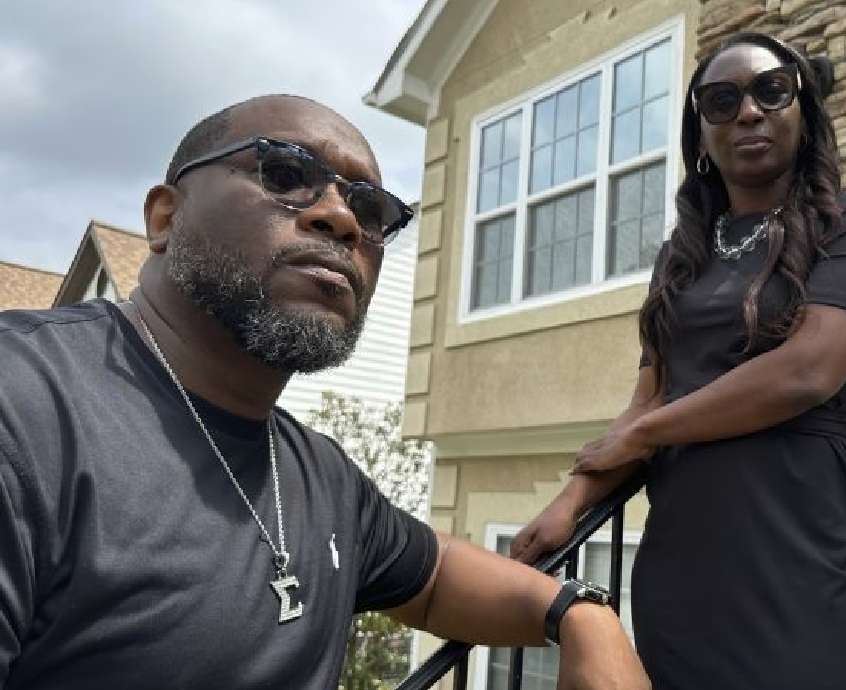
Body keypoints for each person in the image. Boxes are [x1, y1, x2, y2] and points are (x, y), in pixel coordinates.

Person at [0, 95, 648, 690]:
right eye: (284, 174)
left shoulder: (321, 477)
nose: (339, 218)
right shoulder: (27, 404)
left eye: (371, 212)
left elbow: (434, 574)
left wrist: (579, 612)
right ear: (166, 217)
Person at [511, 32, 846, 690]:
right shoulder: (680, 257)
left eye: (770, 91)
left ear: (803, 114)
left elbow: (808, 371)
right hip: (684, 580)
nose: (747, 112)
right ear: (701, 132)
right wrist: (571, 499)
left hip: (805, 567)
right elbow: (649, 398)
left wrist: (643, 433)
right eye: (720, 101)